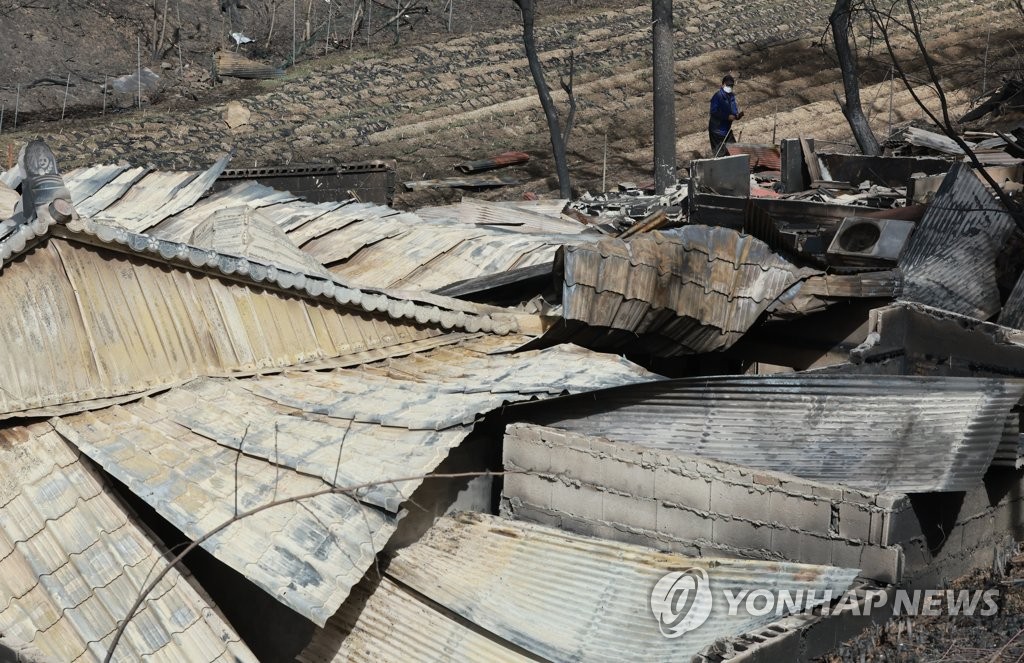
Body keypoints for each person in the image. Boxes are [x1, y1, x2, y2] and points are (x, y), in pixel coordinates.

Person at [708, 75, 743, 156]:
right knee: (720, 154)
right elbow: (713, 112)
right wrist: (726, 117)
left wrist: (737, 116)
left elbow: (734, 111)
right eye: (728, 85)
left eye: (731, 85)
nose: (730, 87)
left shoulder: (732, 96)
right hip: (716, 131)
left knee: (734, 152)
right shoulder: (717, 96)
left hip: (727, 130)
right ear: (723, 84)